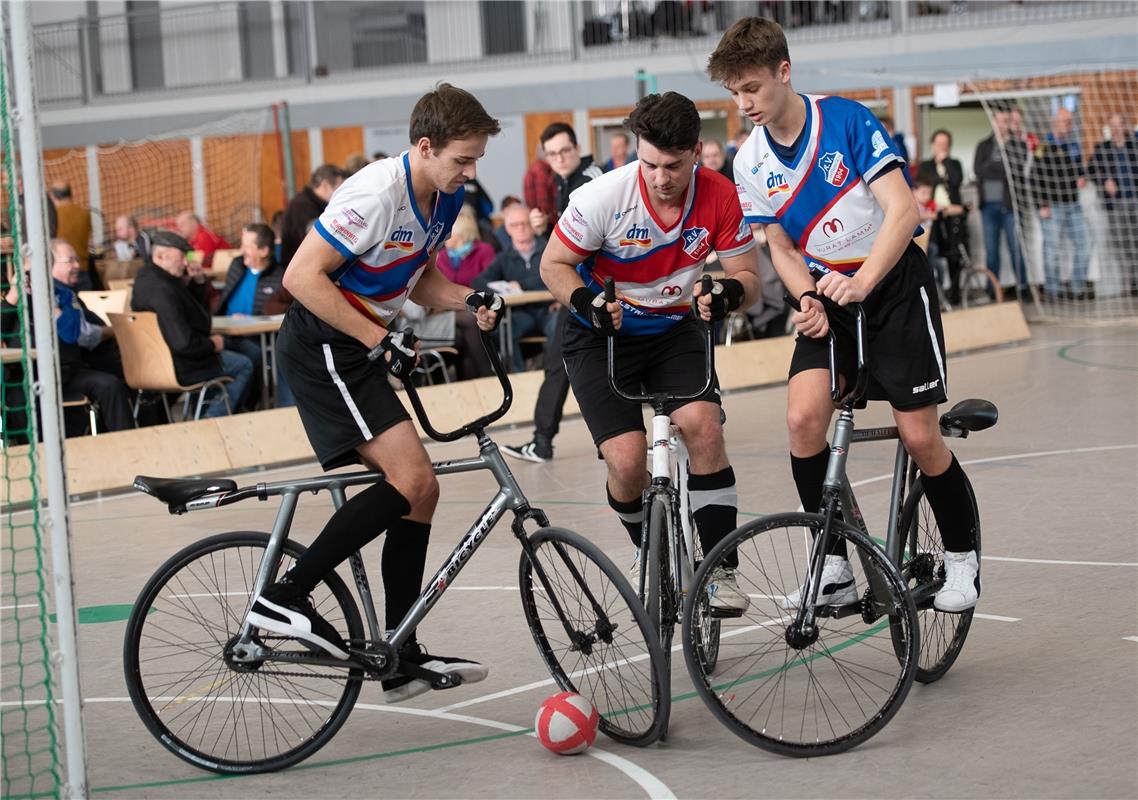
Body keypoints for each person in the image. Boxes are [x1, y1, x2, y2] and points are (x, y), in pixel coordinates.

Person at [710, 16, 982, 612]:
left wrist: (862, 282)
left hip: (890, 282)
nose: (744, 102)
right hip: (829, 291)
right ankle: (833, 566)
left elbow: (903, 212)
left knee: (918, 434)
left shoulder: (847, 120)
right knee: (804, 421)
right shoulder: (749, 161)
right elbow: (778, 245)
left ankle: (963, 559)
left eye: (752, 87)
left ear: (785, 71)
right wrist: (807, 298)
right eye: (733, 92)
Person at [243, 83, 502, 702]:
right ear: (424, 146)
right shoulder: (374, 193)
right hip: (323, 345)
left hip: (356, 345)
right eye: (462, 160)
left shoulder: (442, 195)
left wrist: (471, 297)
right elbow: (300, 277)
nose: (471, 173)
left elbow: (418, 280)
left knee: (421, 491)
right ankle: (283, 598)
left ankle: (400, 649)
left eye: (475, 161)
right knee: (411, 480)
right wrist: (377, 340)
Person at [539, 92, 762, 613]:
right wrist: (587, 302)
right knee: (627, 460)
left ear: (696, 152)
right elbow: (553, 265)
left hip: (672, 326)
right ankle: (646, 547)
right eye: (649, 163)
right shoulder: (603, 196)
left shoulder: (720, 195)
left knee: (705, 426)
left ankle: (720, 570)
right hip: (601, 333)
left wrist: (727, 293)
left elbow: (750, 278)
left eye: (673, 165)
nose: (660, 177)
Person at [501, 122, 603, 463]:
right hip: (579, 291)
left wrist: (551, 228)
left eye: (564, 151)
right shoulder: (564, 182)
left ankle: (545, 440)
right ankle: (544, 441)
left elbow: (587, 237)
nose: (559, 158)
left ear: (577, 148)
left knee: (617, 360)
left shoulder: (589, 179)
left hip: (597, 288)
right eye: (552, 154)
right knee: (560, 362)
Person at [130, 230, 253, 417]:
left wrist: (198, 282)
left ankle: (201, 415)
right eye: (181, 257)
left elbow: (191, 315)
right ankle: (210, 421)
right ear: (162, 256)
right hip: (182, 364)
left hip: (151, 364)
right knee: (244, 364)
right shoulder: (165, 289)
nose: (186, 263)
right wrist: (214, 344)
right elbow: (184, 342)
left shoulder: (146, 281)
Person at [44, 239, 134, 432]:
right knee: (116, 381)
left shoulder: (67, 293)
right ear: (50, 264)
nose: (77, 266)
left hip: (79, 366)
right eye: (70, 261)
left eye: (77, 260)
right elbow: (80, 335)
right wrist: (114, 330)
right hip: (63, 371)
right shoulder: (52, 294)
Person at [215, 223, 293, 407]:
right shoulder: (237, 266)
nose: (241, 251)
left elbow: (277, 309)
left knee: (267, 354)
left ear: (264, 250)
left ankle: (281, 408)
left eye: (247, 246)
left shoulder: (279, 276)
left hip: (255, 337)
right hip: (224, 331)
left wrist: (252, 319)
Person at [473, 203, 554, 371]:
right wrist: (502, 288)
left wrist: (521, 285)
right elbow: (478, 282)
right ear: (507, 229)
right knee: (502, 330)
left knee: (561, 326)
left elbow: (554, 275)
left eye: (525, 223)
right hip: (521, 313)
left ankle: (553, 376)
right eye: (514, 225)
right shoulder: (504, 257)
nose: (521, 228)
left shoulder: (550, 248)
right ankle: (517, 379)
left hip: (550, 309)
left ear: (533, 225)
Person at [1030, 107, 1090, 299]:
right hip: (1052, 206)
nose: (1067, 125)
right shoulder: (1043, 145)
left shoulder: (1074, 145)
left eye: (1069, 122)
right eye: (1064, 121)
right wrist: (1041, 205)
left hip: (1073, 204)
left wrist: (1082, 177)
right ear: (1054, 122)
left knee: (1085, 244)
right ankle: (1052, 291)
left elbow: (1079, 169)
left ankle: (1077, 289)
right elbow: (1034, 177)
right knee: (1052, 250)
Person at [974, 106, 1029, 296]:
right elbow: (979, 171)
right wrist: (998, 167)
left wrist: (993, 166)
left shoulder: (1017, 145)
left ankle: (1023, 287)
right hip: (988, 206)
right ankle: (993, 289)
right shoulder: (983, 145)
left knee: (1015, 248)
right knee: (991, 251)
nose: (1002, 125)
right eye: (999, 121)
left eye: (1006, 122)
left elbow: (1013, 170)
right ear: (994, 122)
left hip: (1010, 205)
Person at [435, 210, 496, 379]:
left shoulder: (484, 251)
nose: (444, 236)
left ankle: (481, 379)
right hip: (445, 309)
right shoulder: (441, 257)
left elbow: (488, 282)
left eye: (449, 232)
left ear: (460, 233)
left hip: (476, 306)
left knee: (467, 334)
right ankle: (488, 373)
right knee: (469, 324)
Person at [918, 129, 970, 303]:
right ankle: (935, 295)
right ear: (932, 145)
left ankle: (955, 293)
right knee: (932, 253)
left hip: (952, 217)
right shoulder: (926, 165)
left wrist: (946, 162)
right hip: (933, 217)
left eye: (945, 144)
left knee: (955, 255)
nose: (942, 147)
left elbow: (956, 180)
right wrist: (940, 177)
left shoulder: (954, 163)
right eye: (939, 144)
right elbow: (925, 185)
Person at [1089, 113, 1138, 296]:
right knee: (1122, 244)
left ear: (1125, 126)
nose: (1117, 129)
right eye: (1113, 125)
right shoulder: (1103, 148)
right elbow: (1091, 170)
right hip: (1116, 204)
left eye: (1119, 125)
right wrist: (1105, 181)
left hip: (1135, 200)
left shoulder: (1134, 146)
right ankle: (1131, 283)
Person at [281, 165, 346, 269]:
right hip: (300, 271)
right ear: (325, 185)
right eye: (339, 187)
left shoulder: (308, 202)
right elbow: (318, 245)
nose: (343, 193)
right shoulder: (303, 207)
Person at [49, 183, 93, 290]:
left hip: (62, 274)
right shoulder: (84, 214)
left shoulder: (52, 216)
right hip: (83, 270)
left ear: (53, 196)